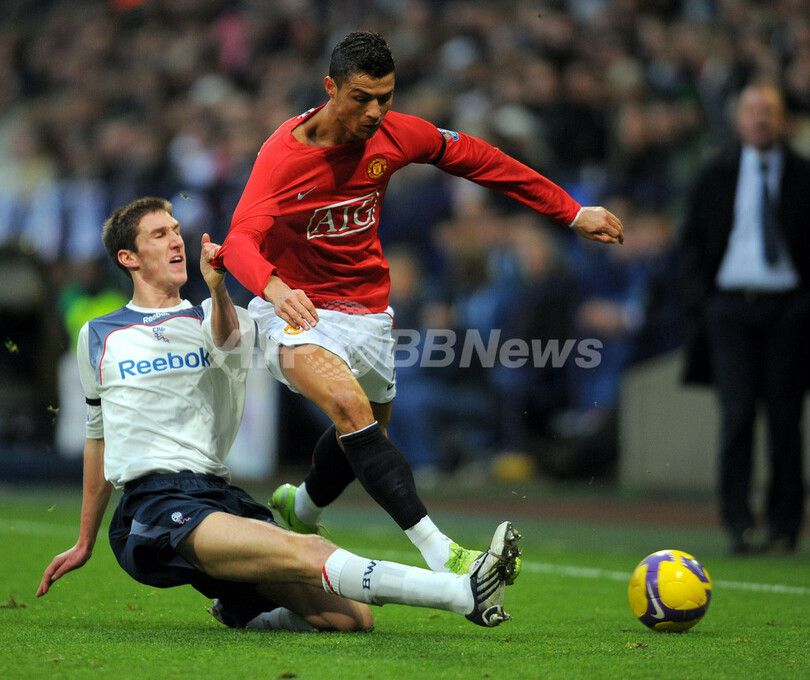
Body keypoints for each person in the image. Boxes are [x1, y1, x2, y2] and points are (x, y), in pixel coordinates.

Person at [213, 31, 623, 575]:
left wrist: (570, 211)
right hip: (295, 306)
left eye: (385, 97)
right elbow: (239, 240)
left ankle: (302, 507)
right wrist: (273, 288)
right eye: (361, 98)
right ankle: (444, 555)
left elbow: (480, 159)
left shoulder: (395, 133)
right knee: (350, 409)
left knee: (366, 433)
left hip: (367, 310)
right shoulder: (284, 158)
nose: (374, 111)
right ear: (330, 88)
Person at [36, 197, 522, 631]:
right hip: (154, 505)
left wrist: (218, 289)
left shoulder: (217, 317)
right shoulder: (97, 335)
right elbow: (98, 438)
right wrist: (84, 540)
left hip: (217, 494)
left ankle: (238, 609)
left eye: (176, 230)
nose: (176, 241)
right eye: (159, 234)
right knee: (309, 551)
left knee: (350, 619)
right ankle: (463, 593)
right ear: (128, 257)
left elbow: (227, 344)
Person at [680, 81, 810, 555]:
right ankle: (738, 523)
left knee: (786, 419)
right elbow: (691, 243)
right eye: (752, 109)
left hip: (789, 309)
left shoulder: (803, 175)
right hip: (730, 309)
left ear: (783, 119)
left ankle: (784, 524)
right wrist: (705, 302)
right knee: (736, 416)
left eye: (769, 110)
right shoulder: (715, 174)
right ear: (738, 119)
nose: (760, 118)